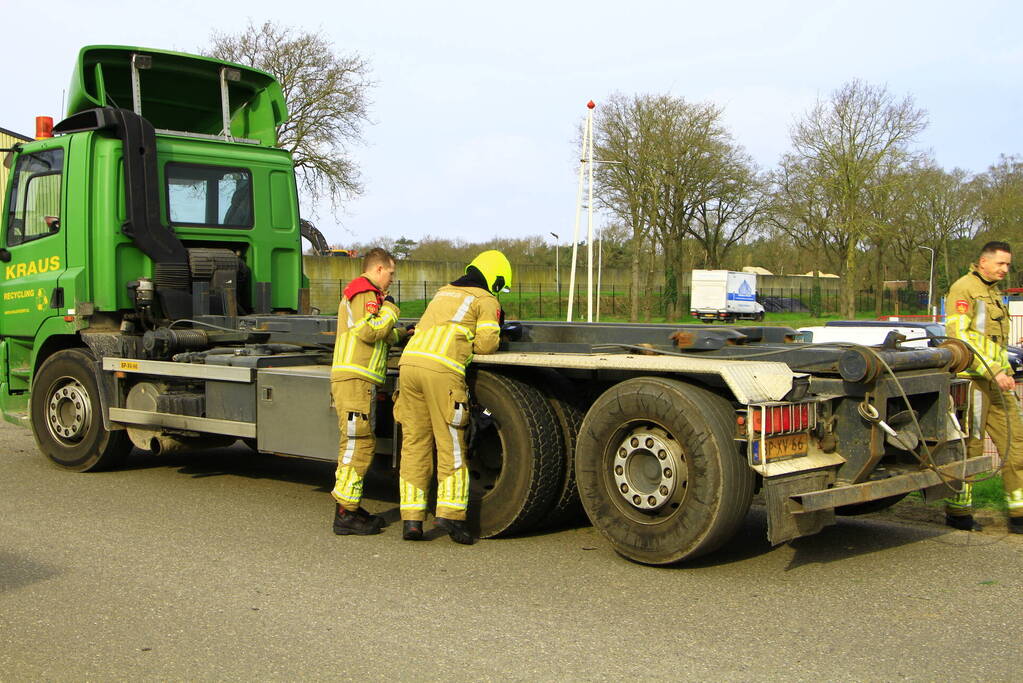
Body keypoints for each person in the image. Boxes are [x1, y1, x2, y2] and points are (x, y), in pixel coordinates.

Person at [393, 250, 510, 543]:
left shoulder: (443, 292)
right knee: (451, 445)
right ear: (495, 278)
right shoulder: (485, 300)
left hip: (408, 367)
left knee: (415, 445)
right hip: (442, 372)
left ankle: (412, 521)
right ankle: (452, 517)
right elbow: (485, 344)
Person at [944, 240, 1023, 534]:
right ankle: (958, 512)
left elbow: (993, 342)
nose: (1005, 269)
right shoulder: (963, 289)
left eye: (1008, 264)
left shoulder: (993, 292)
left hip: (999, 382)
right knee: (972, 447)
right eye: (1001, 264)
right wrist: (993, 371)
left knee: (1016, 444)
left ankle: (1019, 514)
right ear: (983, 262)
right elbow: (961, 338)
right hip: (973, 383)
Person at [329, 248, 401, 535]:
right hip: (355, 378)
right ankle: (346, 513)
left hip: (359, 379)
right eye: (392, 273)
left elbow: (381, 334)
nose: (392, 280)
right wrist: (392, 311)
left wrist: (396, 331)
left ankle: (351, 508)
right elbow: (369, 331)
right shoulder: (365, 292)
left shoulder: (369, 295)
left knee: (357, 442)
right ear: (379, 269)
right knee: (358, 444)